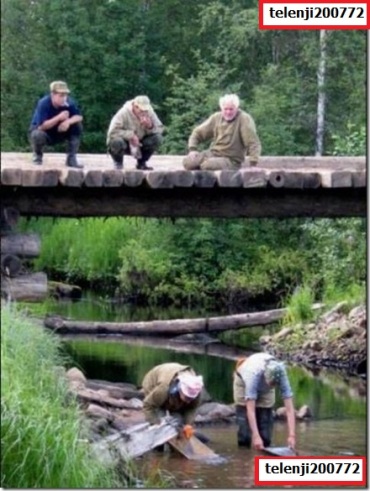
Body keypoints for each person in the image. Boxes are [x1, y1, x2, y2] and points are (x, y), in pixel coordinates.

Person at [233, 353, 296, 451]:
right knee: (245, 436)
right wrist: (256, 436)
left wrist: (292, 435)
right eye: (271, 384)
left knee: (265, 436)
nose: (272, 386)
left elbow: (289, 408)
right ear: (265, 375)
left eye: (274, 384)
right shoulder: (253, 375)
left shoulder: (281, 373)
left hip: (265, 388)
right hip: (243, 383)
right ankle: (244, 458)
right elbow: (251, 410)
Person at [183, 93, 261, 171]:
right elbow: (198, 132)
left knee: (207, 165)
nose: (228, 112)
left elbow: (253, 142)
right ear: (221, 108)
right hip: (214, 153)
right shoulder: (216, 117)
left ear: (237, 108)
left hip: (231, 159)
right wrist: (192, 149)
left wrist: (253, 163)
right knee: (188, 162)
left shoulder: (244, 119)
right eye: (226, 109)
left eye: (231, 109)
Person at [29, 81, 83, 168]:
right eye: (61, 95)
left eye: (66, 95)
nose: (64, 98)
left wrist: (68, 122)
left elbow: (79, 117)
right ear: (53, 94)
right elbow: (41, 126)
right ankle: (37, 156)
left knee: (77, 126)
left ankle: (71, 159)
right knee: (37, 134)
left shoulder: (69, 102)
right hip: (45, 132)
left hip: (60, 131)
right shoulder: (44, 103)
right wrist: (59, 117)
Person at [141, 362, 204, 436]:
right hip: (153, 382)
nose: (188, 401)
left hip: (171, 382)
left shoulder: (196, 390)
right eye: (187, 397)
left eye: (191, 398)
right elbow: (147, 406)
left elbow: (191, 408)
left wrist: (188, 424)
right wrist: (156, 424)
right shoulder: (163, 389)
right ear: (180, 389)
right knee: (161, 419)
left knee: (178, 421)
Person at [106, 95, 163, 170]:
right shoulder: (123, 113)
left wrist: (150, 126)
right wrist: (131, 135)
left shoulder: (150, 112)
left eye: (146, 110)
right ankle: (118, 163)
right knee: (116, 141)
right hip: (125, 143)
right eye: (141, 110)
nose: (144, 112)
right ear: (135, 106)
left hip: (141, 143)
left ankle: (141, 163)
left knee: (157, 138)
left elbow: (160, 129)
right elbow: (112, 131)